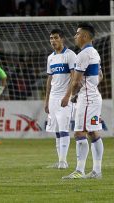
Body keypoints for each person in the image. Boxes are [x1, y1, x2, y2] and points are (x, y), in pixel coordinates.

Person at [62, 23, 104, 179]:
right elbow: (100, 76)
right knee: (93, 133)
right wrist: (91, 86)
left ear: (85, 36)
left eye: (77, 33)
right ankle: (96, 171)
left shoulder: (83, 55)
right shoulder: (95, 53)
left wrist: (68, 97)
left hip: (86, 100)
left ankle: (79, 171)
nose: (75, 36)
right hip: (93, 98)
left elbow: (76, 81)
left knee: (80, 132)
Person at [44, 29, 76, 169]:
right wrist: (46, 100)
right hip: (53, 98)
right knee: (57, 130)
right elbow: (49, 79)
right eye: (51, 38)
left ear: (62, 39)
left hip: (65, 97)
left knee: (64, 128)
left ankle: (63, 161)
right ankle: (60, 160)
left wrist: (68, 96)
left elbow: (74, 78)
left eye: (55, 38)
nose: (53, 40)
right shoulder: (50, 57)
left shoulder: (70, 55)